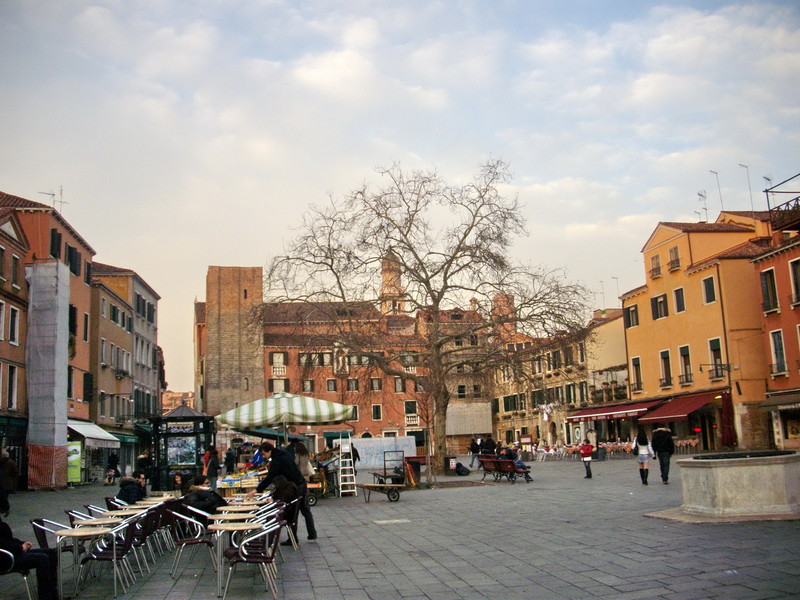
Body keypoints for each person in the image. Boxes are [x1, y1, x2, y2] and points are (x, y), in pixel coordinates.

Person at [247, 441, 317, 542]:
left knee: (293, 511)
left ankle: (293, 538)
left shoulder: (277, 460)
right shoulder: (282, 454)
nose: (263, 456)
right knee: (305, 509)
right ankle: (312, 533)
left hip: (295, 486)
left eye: (264, 454)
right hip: (301, 483)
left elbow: (270, 477)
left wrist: (257, 490)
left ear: (269, 451)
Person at [0, 517, 59, 600]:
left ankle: (54, 594)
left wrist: (22, 543)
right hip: (5, 558)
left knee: (50, 553)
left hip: (12, 552)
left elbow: (8, 539)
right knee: (42, 559)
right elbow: (3, 543)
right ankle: (45, 597)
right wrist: (20, 547)